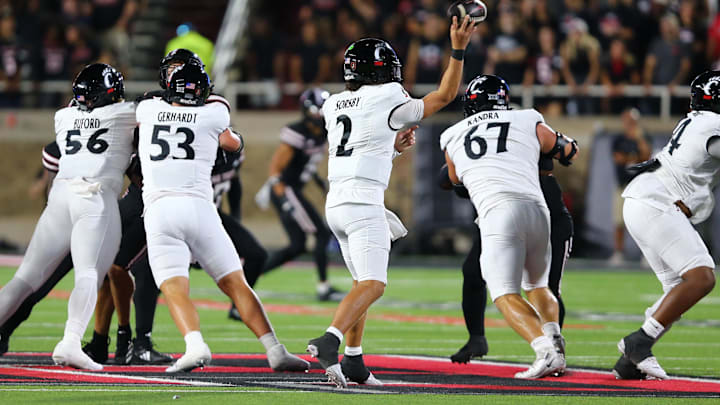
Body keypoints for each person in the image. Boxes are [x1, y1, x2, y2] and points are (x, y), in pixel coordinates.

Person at [306, 15, 476, 388]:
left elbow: (361, 147)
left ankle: (354, 361)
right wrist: (458, 49)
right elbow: (445, 96)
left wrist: (393, 149)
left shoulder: (334, 104)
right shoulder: (387, 96)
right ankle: (329, 341)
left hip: (338, 202)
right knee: (374, 284)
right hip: (363, 203)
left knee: (358, 285)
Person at [136, 63, 308, 373]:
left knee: (174, 286)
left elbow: (151, 103)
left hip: (160, 210)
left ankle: (194, 345)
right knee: (236, 283)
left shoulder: (148, 109)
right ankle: (275, 350)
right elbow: (233, 142)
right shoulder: (214, 114)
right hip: (201, 209)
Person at [441, 74, 578, 379]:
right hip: (537, 209)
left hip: (499, 212)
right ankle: (555, 343)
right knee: (539, 286)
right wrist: (567, 149)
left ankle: (545, 351)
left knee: (504, 293)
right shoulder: (527, 118)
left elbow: (452, 179)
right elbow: (566, 149)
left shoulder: (452, 135)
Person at [0, 63, 135, 370]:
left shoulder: (63, 116)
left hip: (59, 198)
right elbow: (154, 109)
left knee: (25, 277)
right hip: (94, 197)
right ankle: (71, 342)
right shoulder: (126, 113)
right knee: (89, 272)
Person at [613, 71, 719, 380]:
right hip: (655, 203)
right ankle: (639, 342)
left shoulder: (697, 121)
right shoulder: (712, 126)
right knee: (702, 277)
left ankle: (629, 363)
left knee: (678, 289)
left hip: (644, 198)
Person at [440, 152, 574, 364]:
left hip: (547, 218)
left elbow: (560, 153)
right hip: (503, 218)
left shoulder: (527, 130)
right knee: (474, 272)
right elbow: (447, 179)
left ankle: (553, 351)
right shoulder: (487, 138)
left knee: (545, 288)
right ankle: (477, 338)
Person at [259, 88, 341, 302]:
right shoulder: (298, 132)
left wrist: (319, 183)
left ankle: (251, 272)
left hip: (293, 190)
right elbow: (275, 170)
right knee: (322, 233)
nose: (321, 117)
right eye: (317, 112)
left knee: (297, 246)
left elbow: (307, 163)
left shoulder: (324, 132)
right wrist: (284, 200)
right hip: (285, 189)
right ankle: (324, 288)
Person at [609, 108, 651, 265]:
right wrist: (634, 157)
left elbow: (647, 156)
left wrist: (639, 141)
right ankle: (618, 253)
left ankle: (646, 255)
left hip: (640, 186)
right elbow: (618, 158)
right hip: (623, 185)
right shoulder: (618, 139)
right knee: (619, 221)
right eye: (627, 121)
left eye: (632, 121)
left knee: (643, 222)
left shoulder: (643, 137)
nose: (630, 124)